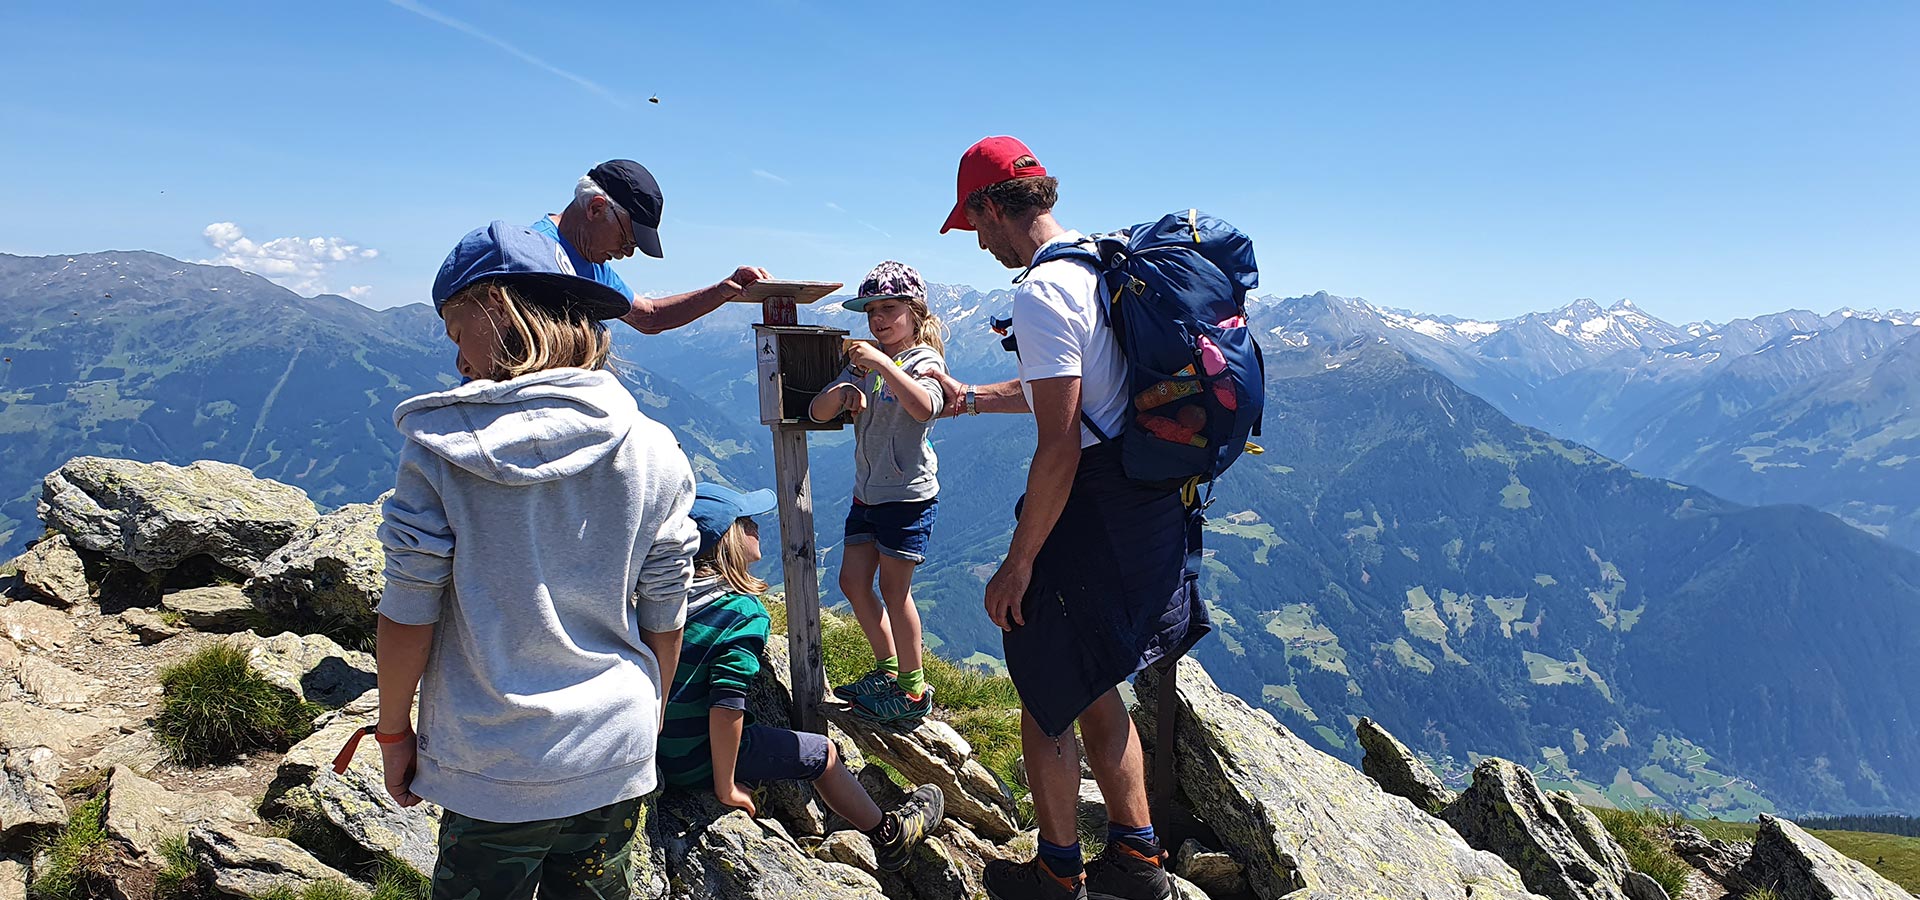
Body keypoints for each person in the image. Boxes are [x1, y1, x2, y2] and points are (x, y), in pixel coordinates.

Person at [372, 221, 700, 900]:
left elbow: (409, 610)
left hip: (496, 761)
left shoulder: (439, 449)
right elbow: (666, 610)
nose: (458, 358)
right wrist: (653, 709)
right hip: (616, 747)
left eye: (456, 330)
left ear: (495, 306)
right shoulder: (656, 447)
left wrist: (394, 732)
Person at [938, 137, 1207, 900]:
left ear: (994, 206)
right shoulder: (1100, 264)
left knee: (1045, 687)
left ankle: (1059, 874)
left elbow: (1059, 443)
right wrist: (972, 396)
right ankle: (1140, 862)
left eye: (975, 224)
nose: (979, 241)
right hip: (1149, 500)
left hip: (1090, 508)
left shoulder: (1040, 292)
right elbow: (1074, 391)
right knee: (1097, 681)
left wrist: (1018, 562)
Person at [657, 482, 947, 871]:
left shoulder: (666, 598)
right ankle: (888, 834)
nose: (756, 527)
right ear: (726, 540)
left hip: (655, 750)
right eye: (745, 522)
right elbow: (726, 706)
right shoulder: (741, 613)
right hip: (695, 758)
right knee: (823, 754)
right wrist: (725, 785)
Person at [805, 261, 948, 724]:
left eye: (889, 308)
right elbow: (817, 410)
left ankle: (912, 691)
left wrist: (883, 364)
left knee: (893, 588)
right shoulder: (863, 364)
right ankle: (889, 671)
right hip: (868, 494)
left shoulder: (923, 361)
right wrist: (845, 388)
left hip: (907, 496)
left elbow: (926, 407)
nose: (879, 319)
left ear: (914, 311)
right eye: (871, 311)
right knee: (852, 582)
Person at [536, 158, 772, 334]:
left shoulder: (591, 265)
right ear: (596, 208)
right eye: (626, 240)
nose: (627, 253)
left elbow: (649, 317)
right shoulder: (530, 254)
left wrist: (723, 289)